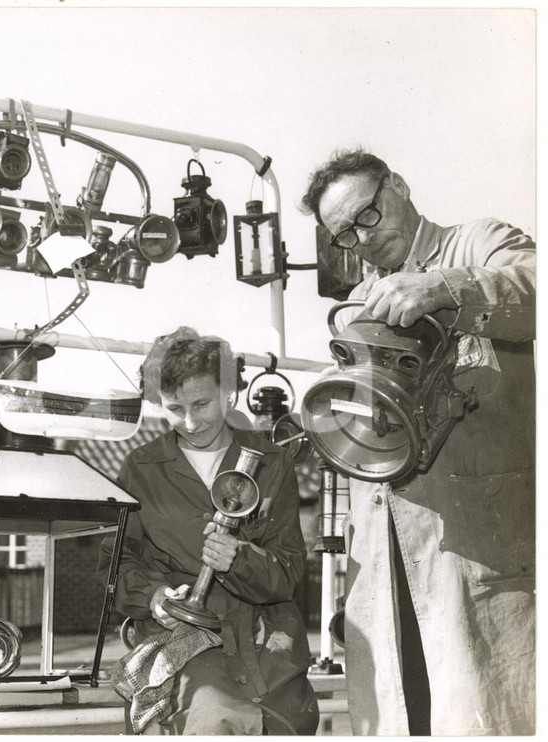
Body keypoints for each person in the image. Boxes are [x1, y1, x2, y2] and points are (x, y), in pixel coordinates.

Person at [299, 148, 535, 735]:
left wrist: (445, 290)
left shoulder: (479, 243)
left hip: (478, 554)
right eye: (346, 234)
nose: (364, 238)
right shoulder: (356, 307)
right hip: (384, 564)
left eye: (368, 215)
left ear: (397, 186)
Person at [103, 327, 319, 735]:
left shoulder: (272, 462)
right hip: (182, 645)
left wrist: (240, 558)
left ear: (228, 393)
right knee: (213, 720)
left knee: (290, 723)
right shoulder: (140, 468)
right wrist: (153, 598)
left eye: (201, 403)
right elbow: (115, 564)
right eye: (173, 408)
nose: (190, 421)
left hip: (270, 646)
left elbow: (288, 571)